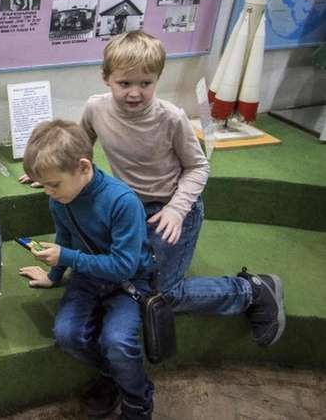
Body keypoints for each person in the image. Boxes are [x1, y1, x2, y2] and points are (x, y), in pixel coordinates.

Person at [20, 30, 286, 348]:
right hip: (129, 206)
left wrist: (176, 210)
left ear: (158, 79)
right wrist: (53, 173)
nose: (135, 92)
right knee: (128, 276)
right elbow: (80, 148)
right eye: (125, 83)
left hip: (169, 209)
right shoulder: (95, 108)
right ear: (106, 78)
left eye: (145, 83)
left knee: (162, 292)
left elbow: (199, 167)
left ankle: (252, 290)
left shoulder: (171, 118)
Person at [18, 119, 156, 419]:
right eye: (45, 185)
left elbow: (123, 266)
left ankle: (138, 400)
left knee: (118, 342)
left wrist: (68, 258)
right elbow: (65, 235)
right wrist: (53, 275)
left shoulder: (122, 202)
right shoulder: (60, 198)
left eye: (54, 184)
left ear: (83, 167)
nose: (49, 192)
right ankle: (116, 377)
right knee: (67, 334)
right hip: (88, 277)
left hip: (129, 283)